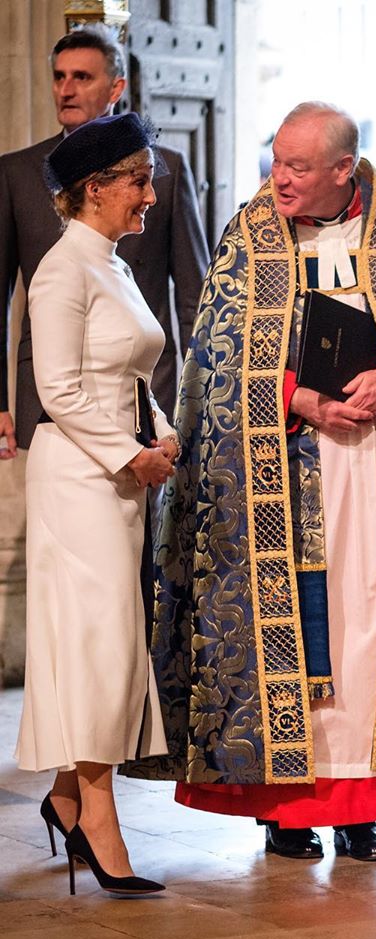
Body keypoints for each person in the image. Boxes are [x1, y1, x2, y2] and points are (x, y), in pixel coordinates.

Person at [124, 102, 376, 861]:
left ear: (341, 171)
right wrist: (297, 396)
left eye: (295, 167)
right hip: (278, 473)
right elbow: (214, 357)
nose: (277, 178)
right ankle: (285, 810)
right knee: (298, 634)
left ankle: (361, 807)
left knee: (366, 632)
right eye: (275, 161)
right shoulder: (249, 236)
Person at [16, 113, 178, 895]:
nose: (150, 195)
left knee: (111, 642)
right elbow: (60, 391)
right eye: (138, 181)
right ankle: (97, 812)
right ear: (94, 189)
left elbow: (130, 378)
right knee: (97, 646)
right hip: (78, 481)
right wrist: (128, 454)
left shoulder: (113, 263)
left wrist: (165, 436)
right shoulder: (61, 271)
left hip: (118, 477)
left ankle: (66, 796)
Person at [0, 22, 208, 458]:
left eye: (82, 77)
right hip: (48, 393)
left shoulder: (165, 173)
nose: (66, 89)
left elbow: (194, 298)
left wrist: (199, 397)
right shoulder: (17, 172)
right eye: (59, 77)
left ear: (116, 87)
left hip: (146, 392)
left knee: (147, 522)